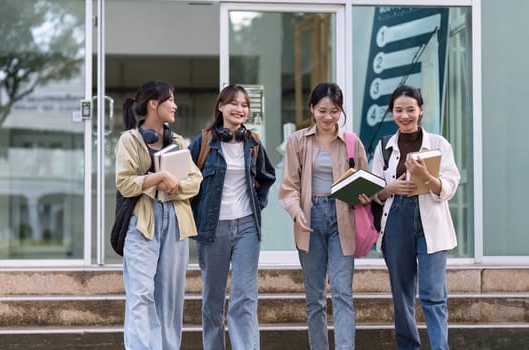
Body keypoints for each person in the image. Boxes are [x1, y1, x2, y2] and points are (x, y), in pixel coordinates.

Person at [279, 82, 369, 350]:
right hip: (310, 217)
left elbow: (367, 182)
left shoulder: (352, 142)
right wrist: (296, 212)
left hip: (344, 217)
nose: (328, 117)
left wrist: (365, 194)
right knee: (315, 297)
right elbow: (288, 187)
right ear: (312, 109)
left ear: (341, 111)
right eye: (322, 110)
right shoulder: (298, 141)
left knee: (343, 293)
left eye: (334, 110)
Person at [371, 85, 460, 350]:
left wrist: (425, 176)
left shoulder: (438, 144)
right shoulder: (384, 147)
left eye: (411, 109)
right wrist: (390, 189)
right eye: (399, 110)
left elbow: (449, 187)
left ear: (421, 110)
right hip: (396, 219)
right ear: (392, 112)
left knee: (433, 295)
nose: (405, 115)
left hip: (430, 221)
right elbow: (375, 191)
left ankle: (439, 347)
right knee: (402, 295)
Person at [116, 80, 203, 350]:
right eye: (170, 100)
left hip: (176, 221)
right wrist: (158, 177)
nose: (175, 106)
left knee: (170, 298)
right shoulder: (129, 140)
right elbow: (125, 183)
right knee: (141, 295)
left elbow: (195, 180)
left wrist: (172, 185)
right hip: (143, 222)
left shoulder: (177, 142)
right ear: (154, 104)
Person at [189, 84, 276, 350]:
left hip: (247, 226)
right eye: (234, 103)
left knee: (245, 297)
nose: (240, 109)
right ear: (221, 106)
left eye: (244, 105)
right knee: (213, 299)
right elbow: (187, 183)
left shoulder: (253, 143)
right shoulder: (203, 142)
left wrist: (255, 206)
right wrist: (198, 215)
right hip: (213, 229)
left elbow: (266, 177)